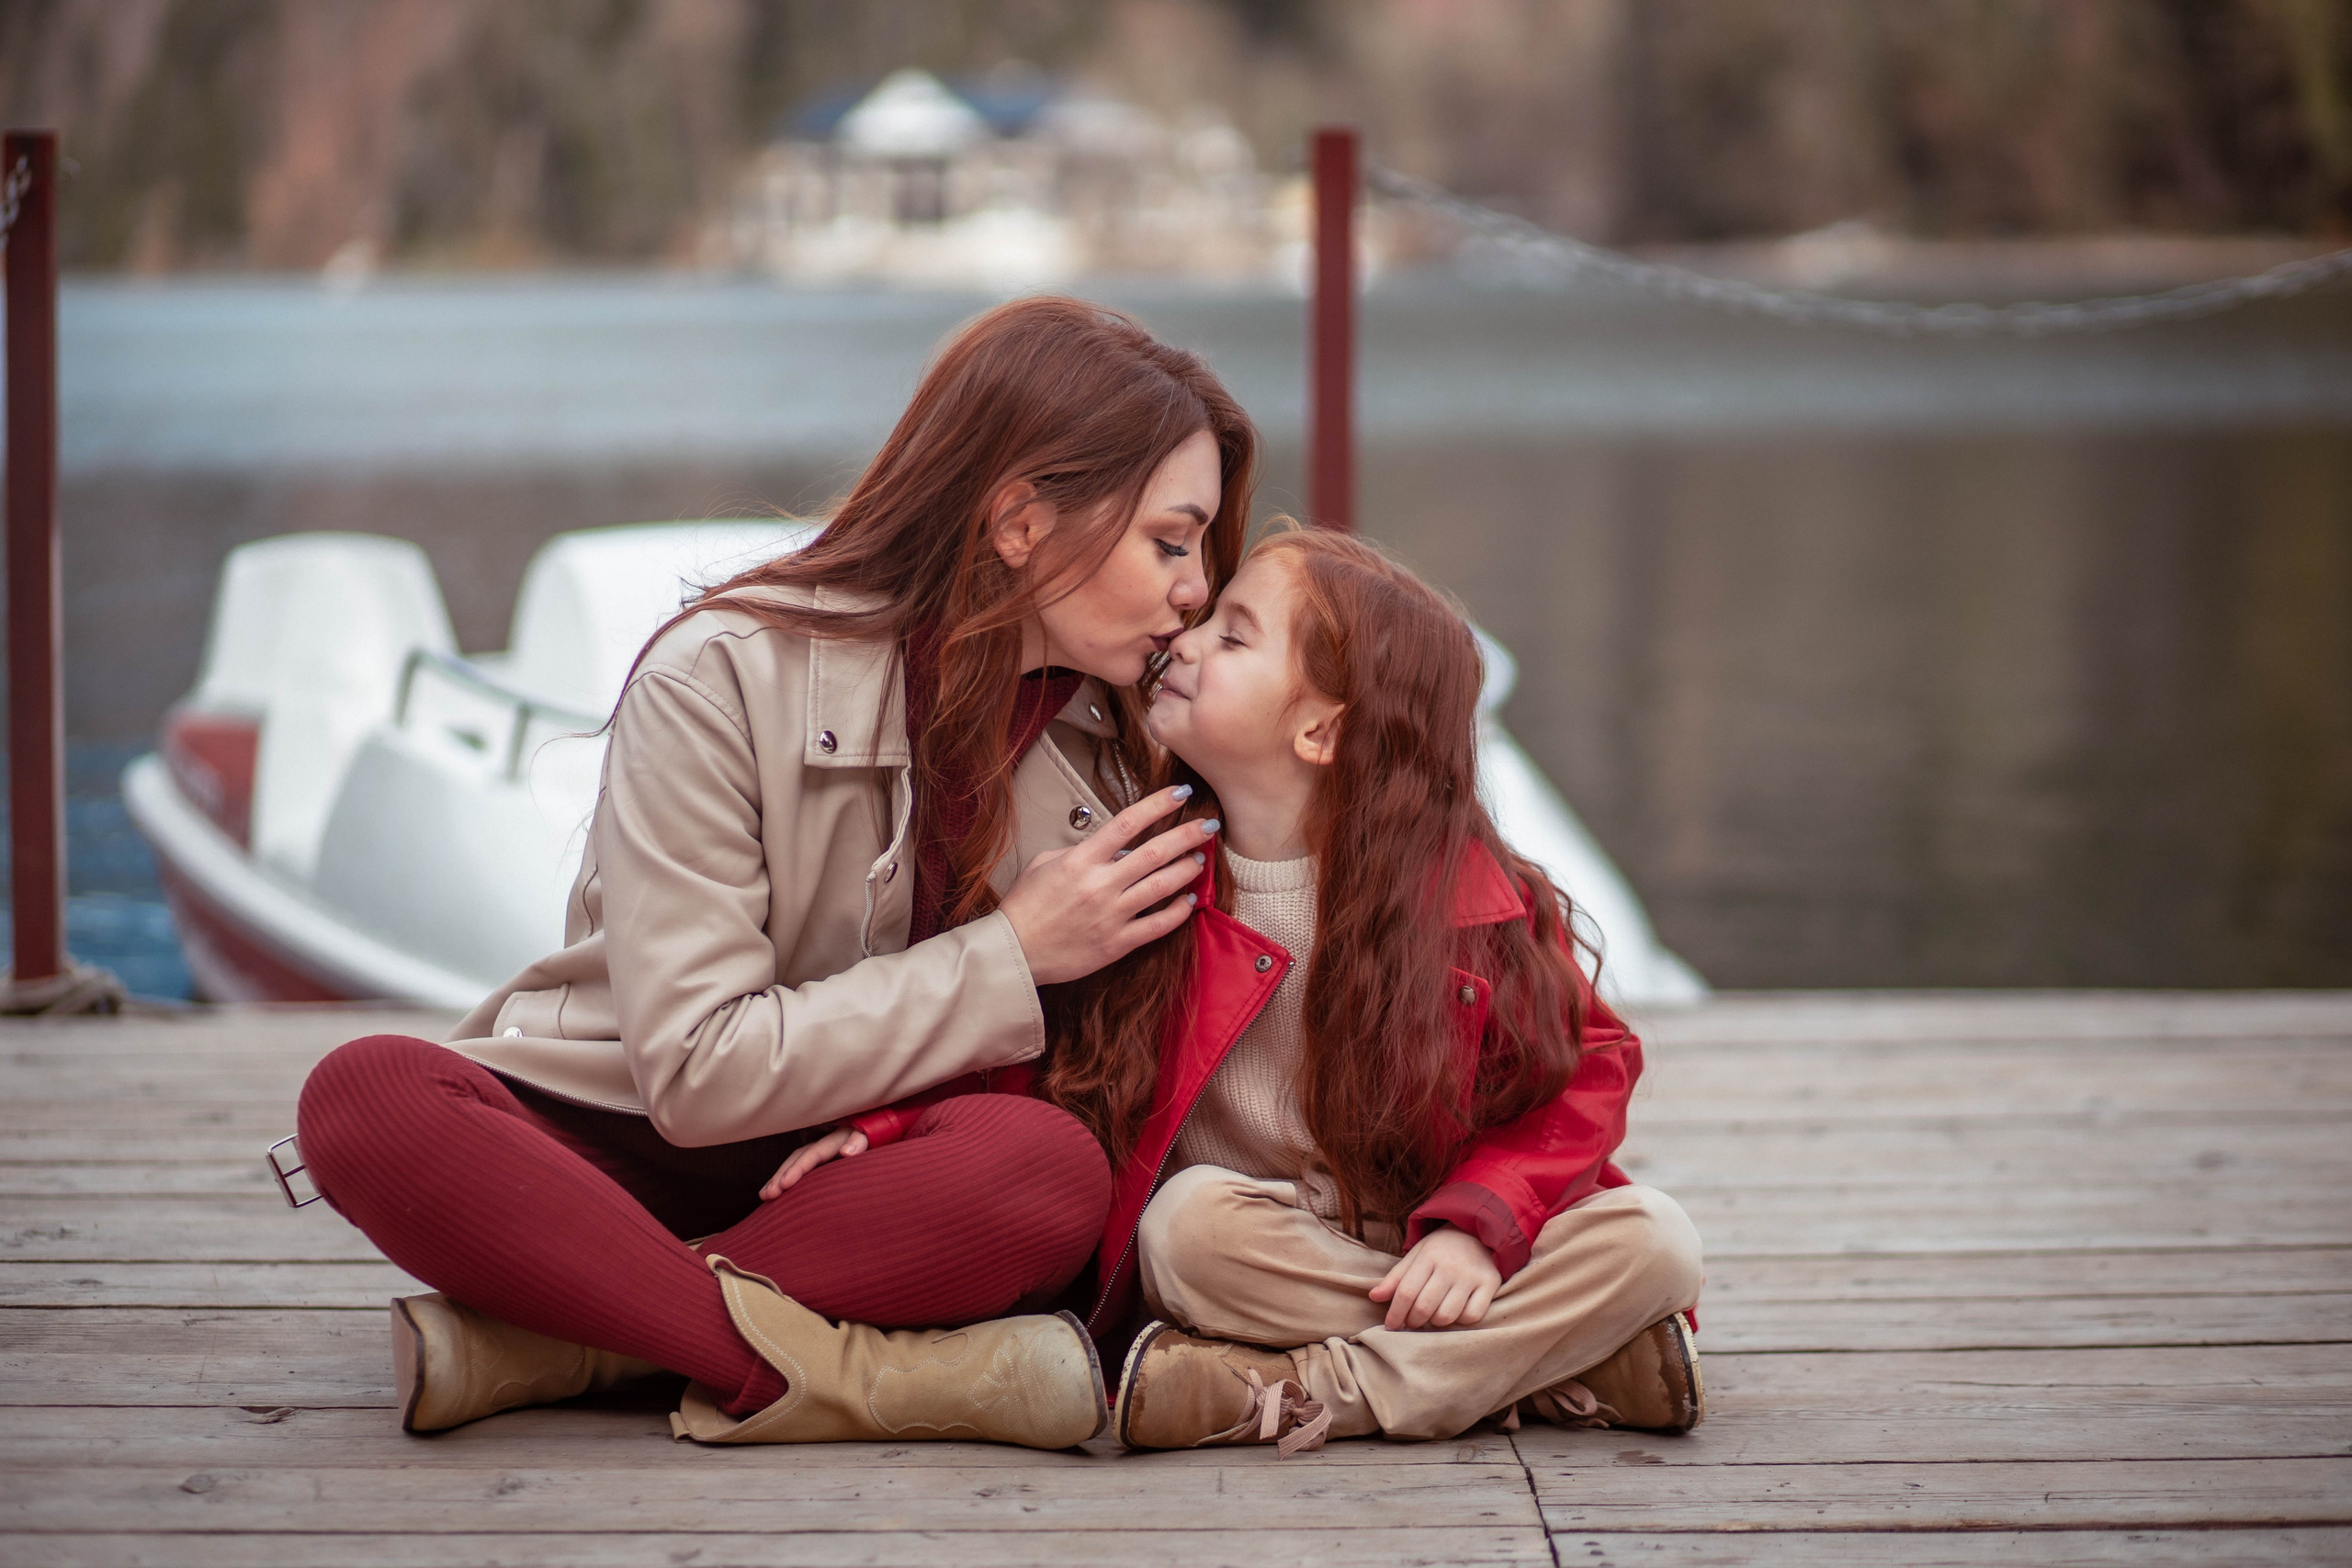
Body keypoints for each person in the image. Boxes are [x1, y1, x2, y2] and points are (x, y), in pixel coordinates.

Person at [292, 297, 1259, 1449]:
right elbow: (695, 1076)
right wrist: (1011, 955)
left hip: (865, 1177)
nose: (1196, 589)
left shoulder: (1135, 744)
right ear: (1018, 522)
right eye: (1169, 540)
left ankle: (570, 1337)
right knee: (364, 1099)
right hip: (637, 1135)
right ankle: (865, 1381)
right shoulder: (719, 680)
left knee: (1047, 1173)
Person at [808, 527, 1704, 1453]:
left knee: (1655, 1240)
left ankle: (1322, 1388)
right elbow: (1041, 1050)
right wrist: (895, 1122)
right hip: (1266, 1241)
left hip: (1438, 1233)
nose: (1186, 638)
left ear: (1320, 730)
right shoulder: (1147, 878)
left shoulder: (1472, 903)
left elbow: (1587, 1071)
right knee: (1183, 1232)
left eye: (1233, 637)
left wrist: (1478, 1229)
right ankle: (1547, 1369)